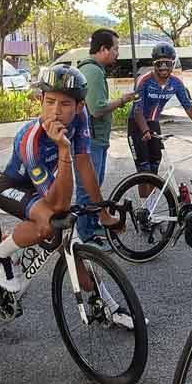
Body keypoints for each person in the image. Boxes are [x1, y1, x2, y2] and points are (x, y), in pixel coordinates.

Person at [0, 65, 129, 328]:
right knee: (51, 224)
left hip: (48, 184)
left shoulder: (81, 117)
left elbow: (85, 164)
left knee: (68, 237)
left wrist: (102, 213)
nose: (55, 110)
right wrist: (64, 150)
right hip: (13, 186)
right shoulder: (31, 140)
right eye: (49, 102)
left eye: (65, 104)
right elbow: (58, 204)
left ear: (78, 107)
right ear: (40, 101)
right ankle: (0, 253)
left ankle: (108, 304)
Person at [75, 29, 138, 250]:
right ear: (103, 49)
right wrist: (123, 100)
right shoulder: (92, 71)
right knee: (86, 188)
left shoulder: (94, 69)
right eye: (115, 49)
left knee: (94, 185)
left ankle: (93, 225)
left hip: (96, 139)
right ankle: (86, 236)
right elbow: (97, 109)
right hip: (90, 140)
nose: (117, 54)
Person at [127, 42, 192, 189]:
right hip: (137, 124)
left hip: (153, 123)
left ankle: (151, 205)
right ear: (154, 64)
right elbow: (137, 110)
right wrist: (145, 130)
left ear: (173, 64)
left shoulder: (176, 83)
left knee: (154, 168)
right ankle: (144, 208)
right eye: (159, 64)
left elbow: (189, 109)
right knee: (144, 170)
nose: (164, 68)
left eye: (167, 63)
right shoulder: (144, 80)